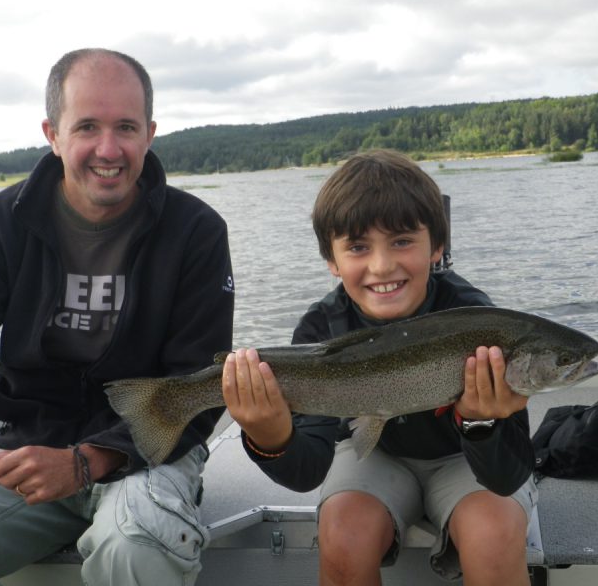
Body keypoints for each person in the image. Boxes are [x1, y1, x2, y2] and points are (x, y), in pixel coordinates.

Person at [0, 48, 234, 585]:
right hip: (28, 444)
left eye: (126, 127)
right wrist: (55, 459)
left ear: (151, 134)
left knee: (138, 542)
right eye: (87, 126)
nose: (108, 149)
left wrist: (88, 461)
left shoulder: (195, 232)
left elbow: (196, 388)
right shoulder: (1, 223)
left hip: (152, 455)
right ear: (52, 133)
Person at [223, 149, 537, 585]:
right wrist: (269, 436)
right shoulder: (320, 328)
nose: (382, 265)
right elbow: (308, 470)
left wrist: (482, 423)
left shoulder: (479, 321)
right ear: (332, 261)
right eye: (357, 247)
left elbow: (507, 475)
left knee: (495, 535)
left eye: (402, 241)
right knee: (343, 536)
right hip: (372, 451)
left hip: (463, 457)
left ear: (437, 246)